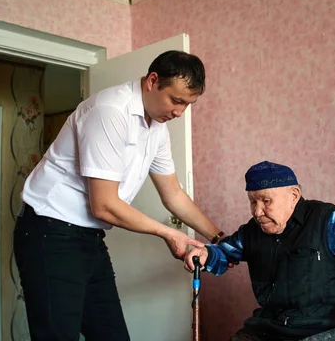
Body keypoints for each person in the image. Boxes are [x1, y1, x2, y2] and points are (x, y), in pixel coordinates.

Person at [14, 51, 224, 341]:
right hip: (50, 233)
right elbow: (104, 205)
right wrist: (169, 234)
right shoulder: (110, 110)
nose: (179, 112)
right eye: (176, 100)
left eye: (188, 105)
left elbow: (173, 194)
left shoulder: (157, 128)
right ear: (152, 81)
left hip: (88, 239)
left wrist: (218, 238)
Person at [184, 161, 335, 341]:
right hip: (267, 330)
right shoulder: (252, 232)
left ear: (293, 195)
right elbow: (224, 253)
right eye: (252, 202)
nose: (258, 211)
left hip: (321, 331)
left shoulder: (328, 222)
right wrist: (207, 254)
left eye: (266, 201)